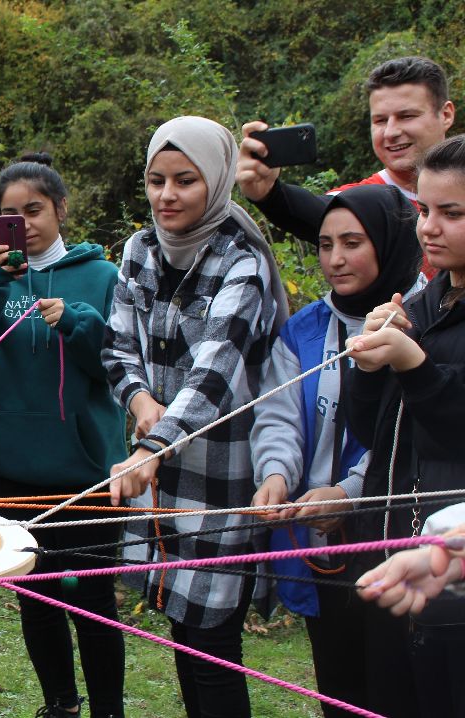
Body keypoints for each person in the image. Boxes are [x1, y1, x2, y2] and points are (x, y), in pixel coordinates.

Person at [101, 116, 288, 718]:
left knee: (211, 646)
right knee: (182, 634)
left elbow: (215, 373)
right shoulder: (138, 249)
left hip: (220, 476)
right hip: (158, 476)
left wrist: (150, 447)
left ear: (218, 180)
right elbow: (117, 346)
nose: (167, 196)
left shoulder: (243, 261)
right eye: (156, 180)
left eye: (185, 181)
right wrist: (137, 400)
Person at [0, 153, 125, 718]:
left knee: (92, 599)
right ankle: (59, 704)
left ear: (61, 209)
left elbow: (117, 365)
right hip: (8, 463)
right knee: (35, 595)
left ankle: (108, 709)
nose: (24, 223)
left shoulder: (101, 277)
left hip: (83, 467)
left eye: (35, 210)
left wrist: (75, 320)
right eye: (9, 214)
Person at [249, 184, 424, 717]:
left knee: (402, 692)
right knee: (340, 693)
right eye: (325, 244)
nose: (336, 259)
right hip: (324, 545)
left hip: (403, 545)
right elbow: (278, 414)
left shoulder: (423, 320)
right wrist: (276, 473)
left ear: (389, 242)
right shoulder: (304, 329)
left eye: (352, 242)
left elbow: (408, 431)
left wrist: (348, 492)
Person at [341, 134, 465, 717]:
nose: (429, 228)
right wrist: (370, 366)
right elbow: (374, 432)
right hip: (396, 551)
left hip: (456, 578)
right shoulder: (426, 302)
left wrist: (414, 363)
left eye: (452, 213)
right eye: (423, 210)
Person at [238, 57, 455, 263]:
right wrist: (269, 194)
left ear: (445, 115)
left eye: (406, 116)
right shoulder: (356, 202)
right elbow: (313, 210)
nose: (390, 132)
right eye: (380, 120)